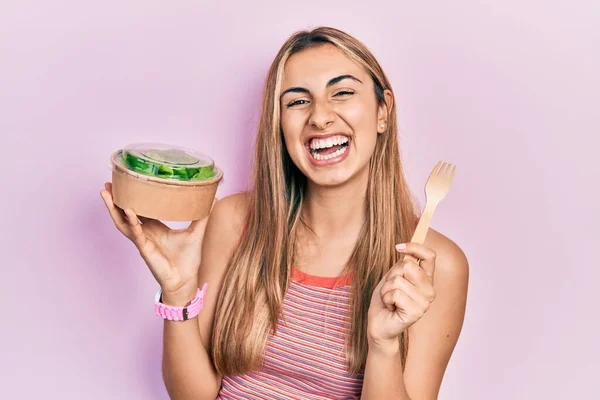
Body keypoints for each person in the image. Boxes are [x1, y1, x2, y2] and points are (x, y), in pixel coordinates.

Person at [100, 26, 469, 400]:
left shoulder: (434, 267)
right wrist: (177, 291)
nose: (320, 117)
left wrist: (384, 345)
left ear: (382, 112)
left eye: (342, 93)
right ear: (279, 124)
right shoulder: (233, 220)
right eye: (297, 101)